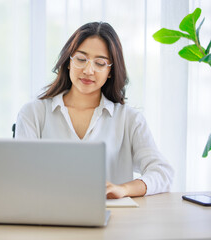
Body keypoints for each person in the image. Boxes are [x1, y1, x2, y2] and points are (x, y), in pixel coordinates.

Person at [15, 22, 174, 199]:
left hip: (115, 219)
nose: (88, 70)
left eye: (100, 63)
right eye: (81, 59)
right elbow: (22, 175)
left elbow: (162, 173)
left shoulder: (129, 119)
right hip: (48, 215)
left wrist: (124, 189)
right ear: (68, 62)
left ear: (110, 72)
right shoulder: (33, 113)